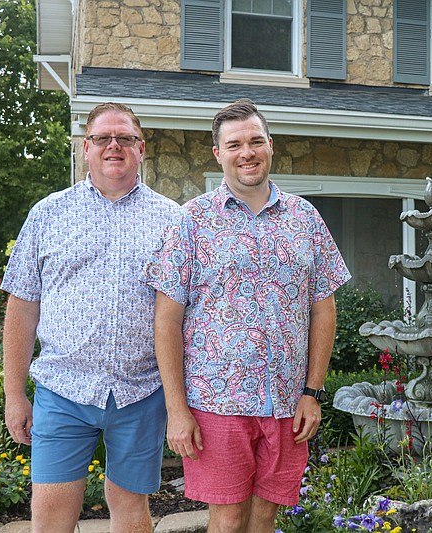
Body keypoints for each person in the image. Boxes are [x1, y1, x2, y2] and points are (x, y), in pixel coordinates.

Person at [143, 99, 351, 532]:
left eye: (256, 141)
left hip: (286, 404)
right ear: (218, 154)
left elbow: (323, 309)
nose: (247, 152)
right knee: (228, 518)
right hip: (216, 403)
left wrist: (312, 392)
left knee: (265, 516)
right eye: (235, 144)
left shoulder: (305, 219)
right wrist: (176, 409)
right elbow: (167, 320)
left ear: (271, 146)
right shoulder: (192, 221)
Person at [1, 102, 180, 532]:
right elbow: (22, 308)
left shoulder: (173, 220)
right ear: (86, 147)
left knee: (131, 508)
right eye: (102, 137)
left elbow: (180, 315)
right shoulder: (47, 214)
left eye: (125, 138)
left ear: (141, 149)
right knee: (50, 515)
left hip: (141, 391)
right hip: (64, 390)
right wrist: (14, 394)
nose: (113, 145)